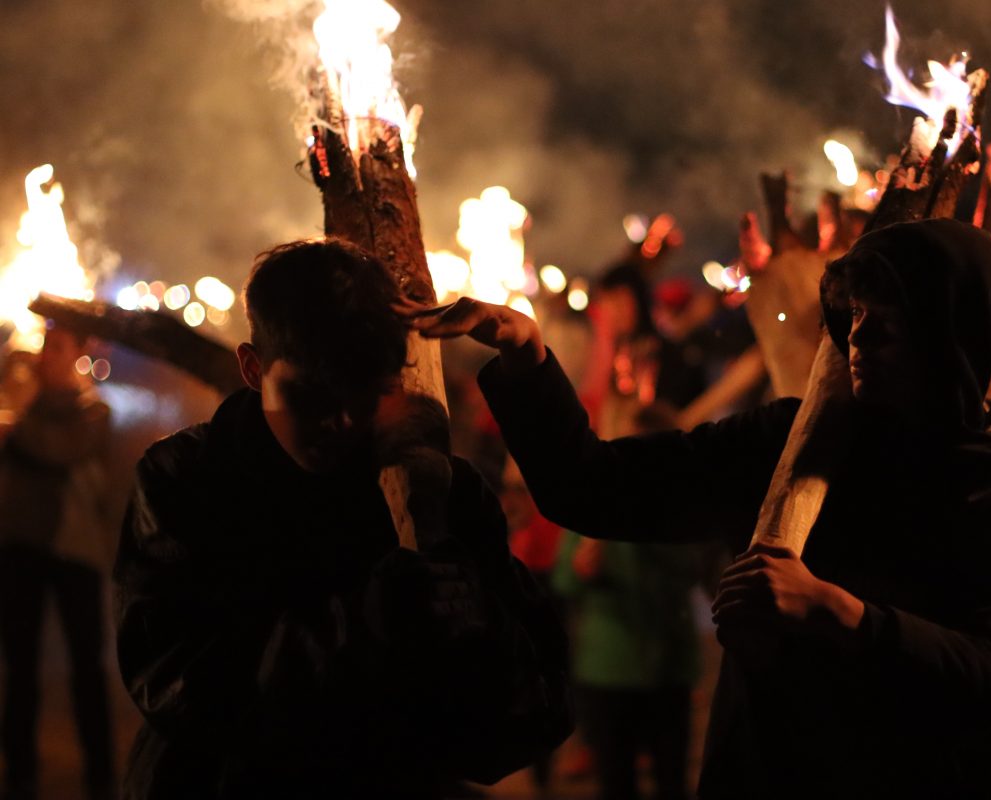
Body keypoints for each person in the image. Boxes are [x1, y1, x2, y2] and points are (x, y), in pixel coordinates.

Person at [412, 218, 991, 798]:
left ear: (951, 340)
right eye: (854, 314)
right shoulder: (788, 442)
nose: (858, 337)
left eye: (890, 321)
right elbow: (595, 487)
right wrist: (526, 358)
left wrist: (837, 610)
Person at [112, 240, 571, 799]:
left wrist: (473, 627)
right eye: (311, 395)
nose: (341, 420)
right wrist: (360, 622)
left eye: (364, 392)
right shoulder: (186, 481)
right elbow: (174, 684)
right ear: (253, 368)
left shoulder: (443, 494)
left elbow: (531, 715)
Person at [552, 403, 701, 800]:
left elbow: (692, 569)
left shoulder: (683, 508)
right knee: (616, 781)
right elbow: (564, 580)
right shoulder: (595, 504)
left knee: (672, 779)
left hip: (668, 665)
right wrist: (580, 569)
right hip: (608, 666)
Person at [0, 324, 116, 800]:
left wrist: (17, 416)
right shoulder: (20, 402)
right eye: (46, 344)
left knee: (87, 667)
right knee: (20, 667)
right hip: (20, 548)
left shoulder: (93, 410)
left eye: (58, 347)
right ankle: (20, 774)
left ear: (77, 354)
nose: (46, 354)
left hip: (75, 552)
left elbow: (55, 449)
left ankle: (101, 777)